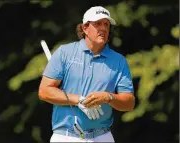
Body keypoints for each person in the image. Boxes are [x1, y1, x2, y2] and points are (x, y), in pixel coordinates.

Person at [38, 6, 135, 142]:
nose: (103, 28)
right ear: (85, 28)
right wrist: (79, 100)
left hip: (102, 137)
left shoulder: (119, 61)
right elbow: (44, 91)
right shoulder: (65, 53)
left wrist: (108, 97)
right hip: (66, 136)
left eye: (106, 24)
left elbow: (129, 103)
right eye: (97, 24)